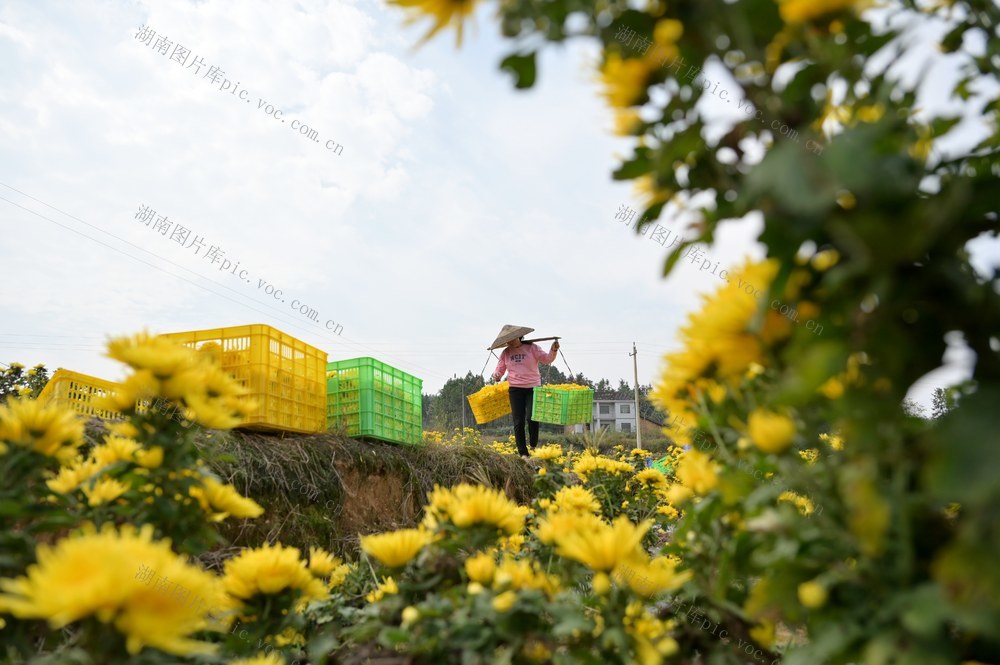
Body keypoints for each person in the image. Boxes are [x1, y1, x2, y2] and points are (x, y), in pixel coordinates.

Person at [492, 336, 560, 457]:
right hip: (515, 389)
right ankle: (523, 453)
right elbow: (499, 370)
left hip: (533, 388)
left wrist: (553, 350)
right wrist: (496, 375)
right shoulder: (506, 352)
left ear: (519, 337)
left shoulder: (532, 348)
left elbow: (547, 359)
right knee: (518, 421)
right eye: (507, 340)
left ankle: (533, 444)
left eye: (512, 339)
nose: (509, 342)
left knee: (531, 417)